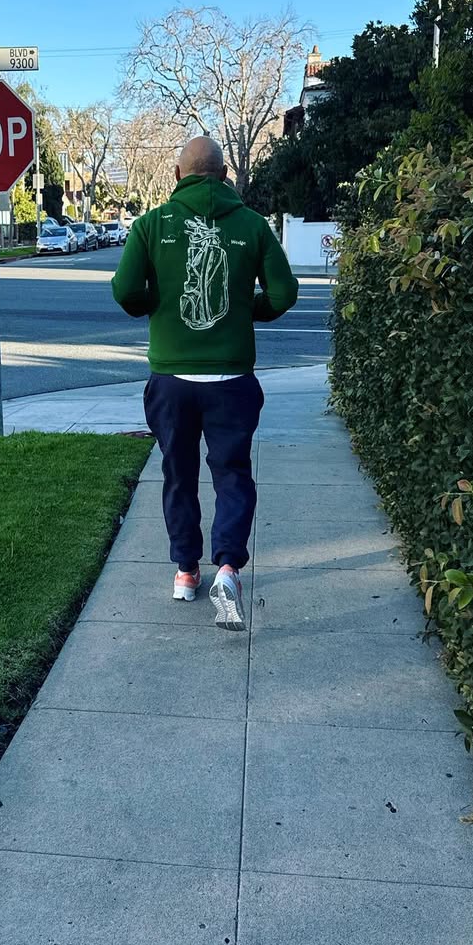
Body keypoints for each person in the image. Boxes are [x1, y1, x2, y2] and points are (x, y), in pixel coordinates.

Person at [111, 136, 298, 630]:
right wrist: (244, 311)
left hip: (171, 380)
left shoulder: (151, 225)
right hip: (232, 379)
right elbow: (284, 293)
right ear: (225, 175)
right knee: (232, 473)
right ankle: (229, 567)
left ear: (178, 175)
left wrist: (157, 306)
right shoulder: (253, 225)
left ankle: (186, 572)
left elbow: (125, 290)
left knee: (178, 474)